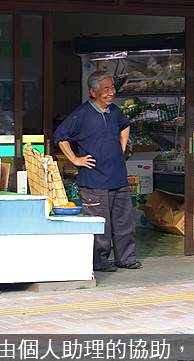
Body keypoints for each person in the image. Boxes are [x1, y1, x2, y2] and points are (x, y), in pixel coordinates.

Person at [54, 71, 141, 273]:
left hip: (118, 177)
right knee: (100, 225)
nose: (112, 92)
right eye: (106, 89)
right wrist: (75, 159)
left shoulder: (114, 111)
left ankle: (126, 259)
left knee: (124, 222)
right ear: (93, 92)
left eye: (112, 87)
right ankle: (99, 262)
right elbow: (61, 137)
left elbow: (125, 126)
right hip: (93, 180)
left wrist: (121, 147)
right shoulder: (81, 114)